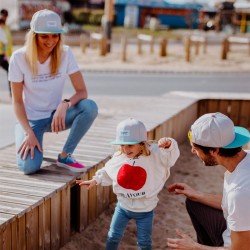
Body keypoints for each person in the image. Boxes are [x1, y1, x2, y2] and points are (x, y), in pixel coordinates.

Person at [8, 9, 98, 175]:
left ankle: (65, 155)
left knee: (90, 106)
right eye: (45, 36)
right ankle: (24, 133)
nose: (51, 41)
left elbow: (82, 92)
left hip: (57, 118)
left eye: (55, 35)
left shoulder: (66, 53)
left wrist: (64, 105)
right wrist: (28, 132)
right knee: (29, 167)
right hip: (31, 121)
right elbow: (17, 101)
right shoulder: (19, 58)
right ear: (34, 36)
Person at [76, 118, 180, 250]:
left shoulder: (155, 154)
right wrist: (95, 180)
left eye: (130, 145)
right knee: (113, 236)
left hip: (145, 210)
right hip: (123, 207)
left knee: (144, 242)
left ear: (142, 143)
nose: (125, 149)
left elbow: (170, 158)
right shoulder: (120, 156)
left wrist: (169, 144)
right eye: (122, 145)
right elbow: (109, 171)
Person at [167, 112, 250, 249]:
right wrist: (198, 195)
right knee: (194, 202)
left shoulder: (240, 191)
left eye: (195, 147)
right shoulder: (245, 160)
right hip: (239, 233)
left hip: (238, 244)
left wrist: (194, 247)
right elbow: (238, 205)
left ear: (214, 151)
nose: (193, 151)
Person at [0, 18, 10, 94]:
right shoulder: (1, 32)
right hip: (1, 56)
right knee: (9, 71)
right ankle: (12, 92)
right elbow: (5, 45)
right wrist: (6, 56)